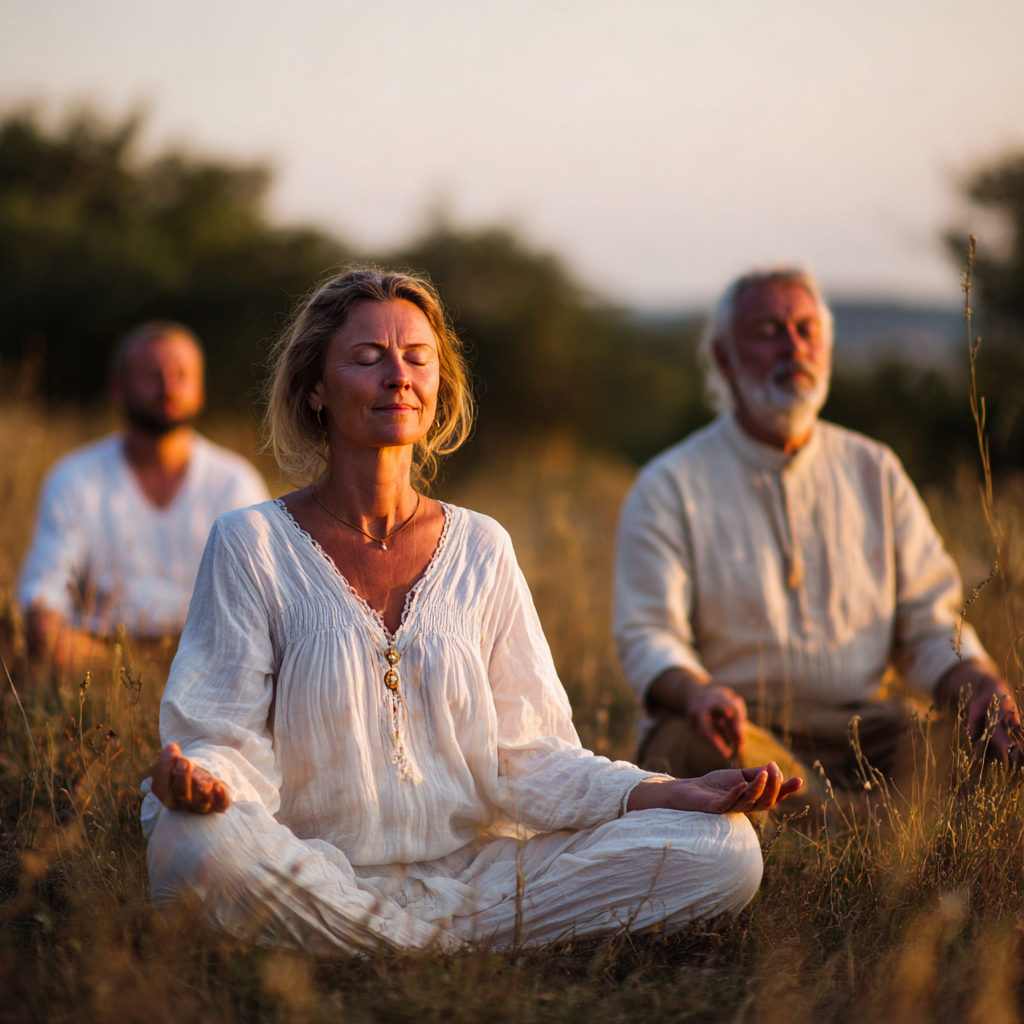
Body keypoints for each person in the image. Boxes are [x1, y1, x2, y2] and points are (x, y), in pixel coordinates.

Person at [142, 268, 801, 953]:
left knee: (724, 848)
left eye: (416, 358)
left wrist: (662, 793)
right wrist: (200, 781)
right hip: (310, 865)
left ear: (436, 390)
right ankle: (441, 946)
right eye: (367, 359)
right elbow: (221, 737)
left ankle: (385, 946)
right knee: (189, 838)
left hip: (487, 876)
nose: (397, 375)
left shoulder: (481, 546)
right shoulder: (252, 543)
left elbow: (529, 756)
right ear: (315, 391)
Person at [613, 267, 1021, 802]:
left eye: (807, 330)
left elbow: (930, 623)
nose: (793, 346)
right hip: (742, 731)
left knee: (987, 745)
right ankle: (867, 828)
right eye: (768, 332)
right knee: (684, 746)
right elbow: (648, 634)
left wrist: (981, 683)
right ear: (723, 359)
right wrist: (696, 690)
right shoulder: (669, 483)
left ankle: (819, 826)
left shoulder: (875, 469)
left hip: (869, 732)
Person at [18, 322, 269, 663]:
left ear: (200, 390)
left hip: (208, 659)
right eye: (152, 374)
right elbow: (42, 596)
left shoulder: (235, 483)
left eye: (182, 374)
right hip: (96, 659)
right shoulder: (75, 478)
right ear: (118, 390)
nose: (168, 386)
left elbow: (259, 607)